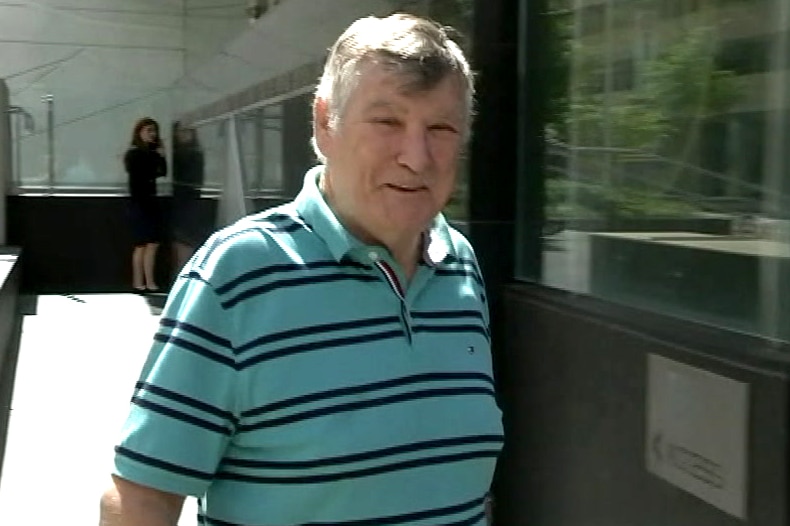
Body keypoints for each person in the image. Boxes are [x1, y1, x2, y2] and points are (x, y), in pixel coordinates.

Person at [100, 14, 503, 526]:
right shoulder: (238, 276)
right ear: (324, 124)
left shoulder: (459, 268)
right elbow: (142, 497)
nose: (416, 157)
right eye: (388, 121)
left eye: (440, 128)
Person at [125, 117, 167, 292]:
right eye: (148, 130)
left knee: (153, 243)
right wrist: (157, 156)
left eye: (154, 131)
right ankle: (138, 281)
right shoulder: (134, 154)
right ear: (139, 132)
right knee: (141, 244)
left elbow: (162, 172)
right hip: (139, 203)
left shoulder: (153, 153)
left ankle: (149, 281)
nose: (152, 134)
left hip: (151, 202)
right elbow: (145, 173)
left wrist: (161, 156)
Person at [170, 121, 208, 273]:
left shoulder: (194, 153)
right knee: (180, 245)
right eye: (181, 131)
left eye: (187, 131)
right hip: (178, 205)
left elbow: (194, 181)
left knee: (185, 243)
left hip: (189, 206)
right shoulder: (177, 154)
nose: (184, 135)